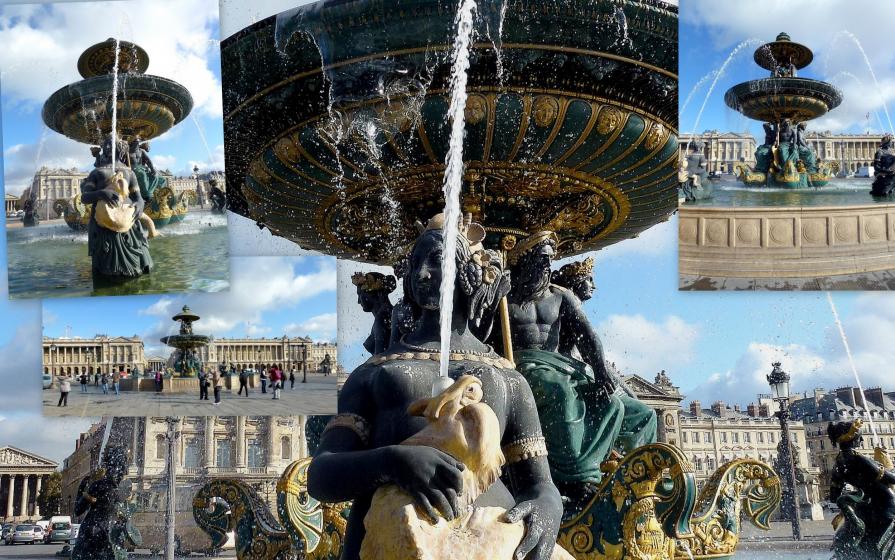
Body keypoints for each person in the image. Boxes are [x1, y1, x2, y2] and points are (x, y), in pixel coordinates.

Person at [308, 214, 563, 560]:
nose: (423, 273)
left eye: (437, 261)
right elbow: (321, 476)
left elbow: (540, 485)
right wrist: (392, 461)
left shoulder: (508, 379)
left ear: (467, 271)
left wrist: (548, 511)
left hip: (490, 544)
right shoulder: (376, 373)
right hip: (391, 542)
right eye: (416, 265)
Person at [353, 271, 397, 354]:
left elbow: (380, 357)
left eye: (360, 294)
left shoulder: (383, 319)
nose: (359, 301)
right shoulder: (388, 315)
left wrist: (379, 285)